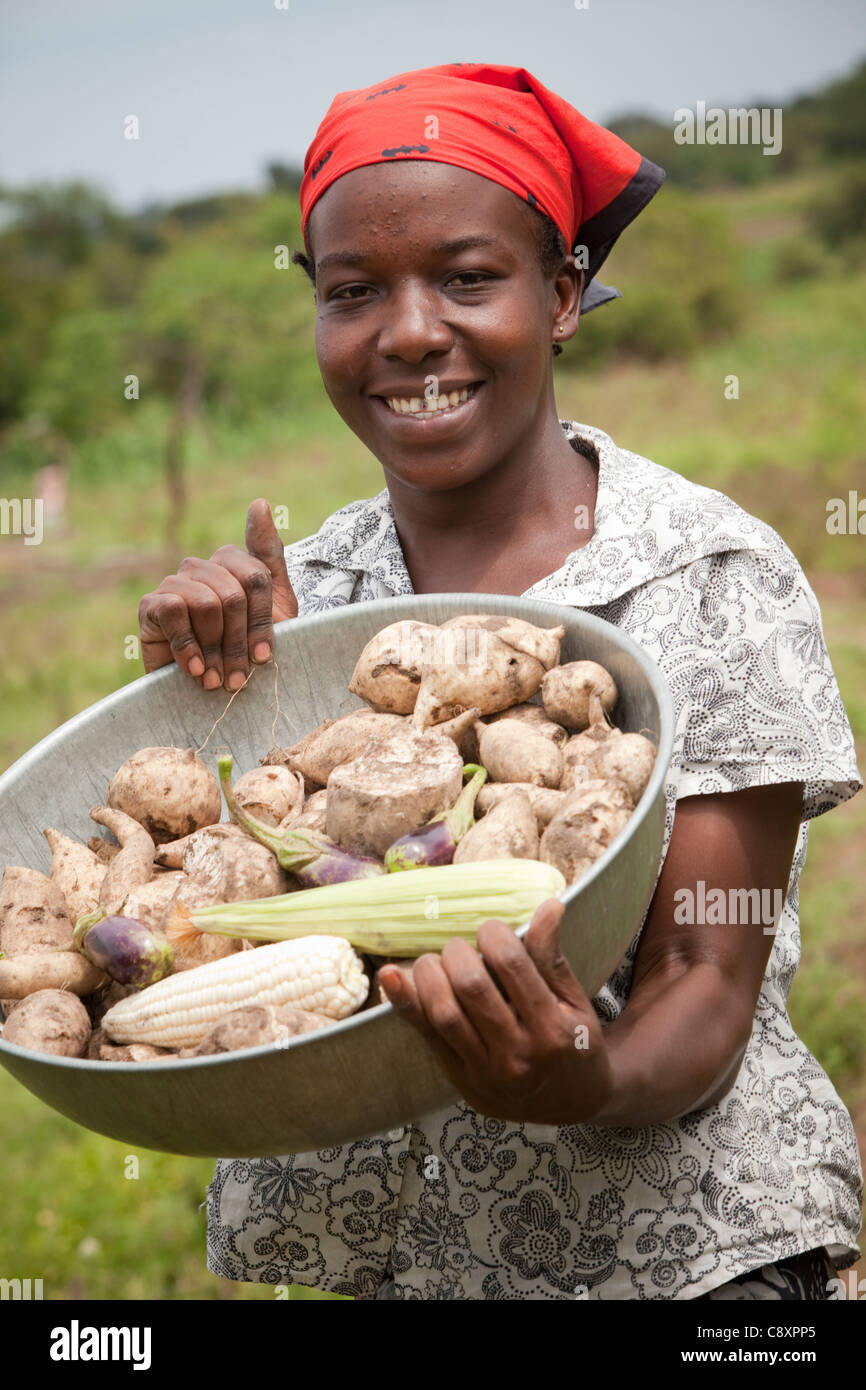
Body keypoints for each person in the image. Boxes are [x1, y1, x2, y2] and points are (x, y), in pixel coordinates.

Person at [138, 63, 862, 1300]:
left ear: (565, 292)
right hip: (390, 1270)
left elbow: (705, 971)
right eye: (355, 290)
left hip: (677, 1264)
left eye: (467, 278)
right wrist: (224, 694)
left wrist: (583, 1079)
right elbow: (227, 918)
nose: (410, 330)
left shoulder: (705, 573)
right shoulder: (307, 590)